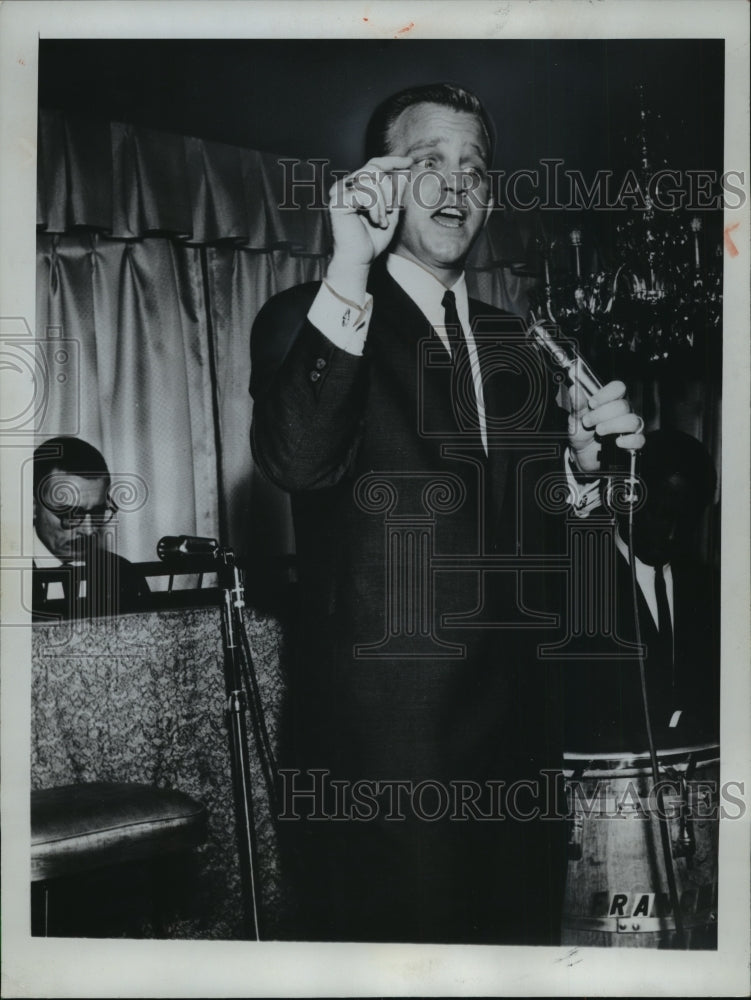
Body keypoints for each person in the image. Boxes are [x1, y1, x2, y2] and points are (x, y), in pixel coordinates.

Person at [250, 83, 644, 944]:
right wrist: (348, 266)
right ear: (380, 181)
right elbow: (296, 461)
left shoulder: (523, 347)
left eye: (474, 168)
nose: (456, 185)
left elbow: (538, 544)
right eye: (427, 163)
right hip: (386, 757)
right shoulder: (316, 318)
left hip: (523, 745)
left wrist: (581, 475)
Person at [563, 428, 719, 752]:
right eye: (662, 514)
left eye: (687, 520)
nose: (673, 534)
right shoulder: (574, 584)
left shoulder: (711, 590)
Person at [32, 436, 150, 621]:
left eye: (97, 512)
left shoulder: (125, 575)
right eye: (70, 514)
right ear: (32, 506)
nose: (89, 531)